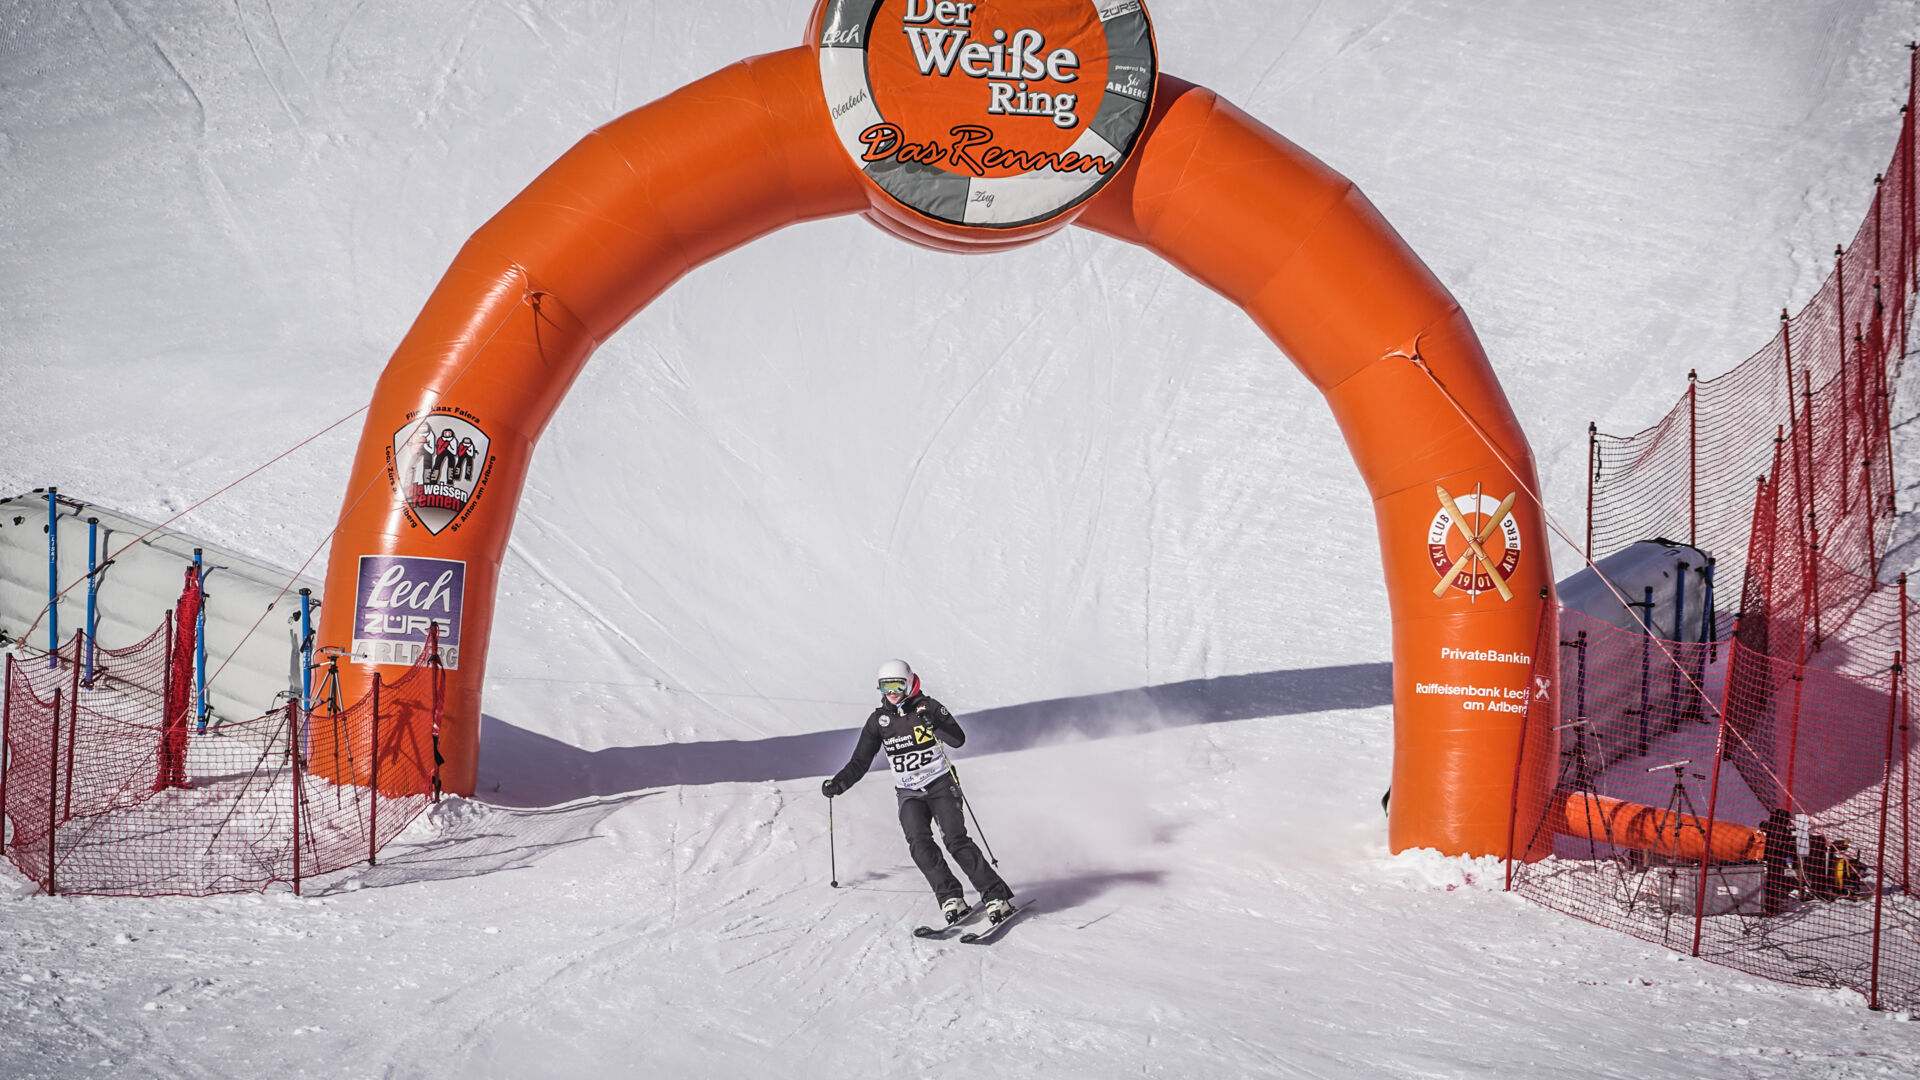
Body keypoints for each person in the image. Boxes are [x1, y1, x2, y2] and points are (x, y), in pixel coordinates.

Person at [822, 659, 1014, 925]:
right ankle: (951, 897)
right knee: (919, 844)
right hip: (909, 792)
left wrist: (935, 725)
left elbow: (958, 740)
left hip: (940, 784)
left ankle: (995, 896)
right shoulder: (879, 720)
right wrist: (839, 783)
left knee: (955, 840)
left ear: (909, 682)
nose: (892, 692)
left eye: (897, 685)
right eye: (885, 687)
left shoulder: (930, 706)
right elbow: (860, 761)